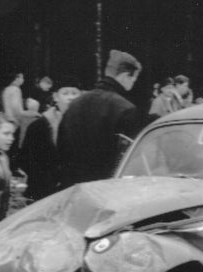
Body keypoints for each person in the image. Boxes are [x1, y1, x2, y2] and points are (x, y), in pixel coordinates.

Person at [57, 49, 143, 187]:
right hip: (106, 190)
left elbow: (61, 149)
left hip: (73, 189)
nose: (132, 84)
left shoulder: (74, 104)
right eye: (133, 79)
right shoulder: (125, 109)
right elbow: (127, 160)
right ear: (125, 76)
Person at [17, 75, 82, 200]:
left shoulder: (86, 124)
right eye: (65, 93)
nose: (70, 97)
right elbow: (26, 160)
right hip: (46, 191)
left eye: (74, 93)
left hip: (76, 190)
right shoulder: (39, 126)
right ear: (56, 97)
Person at [1, 71, 40, 148]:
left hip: (7, 121)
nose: (23, 79)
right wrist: (34, 114)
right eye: (22, 77)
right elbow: (18, 112)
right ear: (16, 78)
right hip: (14, 124)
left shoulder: (6, 89)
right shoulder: (15, 89)